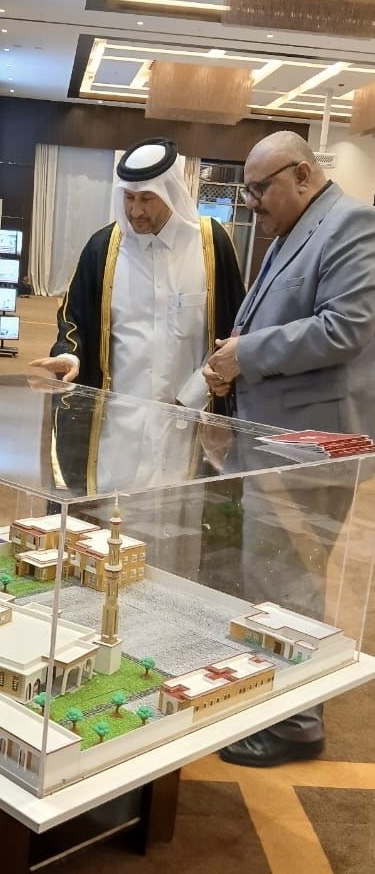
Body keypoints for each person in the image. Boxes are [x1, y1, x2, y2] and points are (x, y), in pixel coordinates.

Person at [205, 130, 375, 767]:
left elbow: (345, 327)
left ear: (302, 175)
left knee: (291, 577)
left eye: (260, 188)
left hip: (310, 446)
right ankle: (274, 698)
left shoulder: (353, 224)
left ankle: (297, 723)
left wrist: (245, 354)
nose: (250, 202)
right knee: (269, 574)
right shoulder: (293, 229)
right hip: (272, 439)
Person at [30, 137, 245, 413]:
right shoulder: (102, 247)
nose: (135, 211)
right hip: (117, 418)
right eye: (129, 198)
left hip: (190, 416)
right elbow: (75, 318)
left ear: (170, 192)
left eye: (147, 198)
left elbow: (234, 325)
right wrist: (70, 356)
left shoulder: (211, 244)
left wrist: (195, 394)